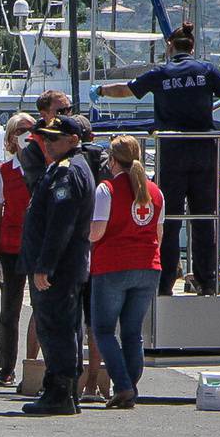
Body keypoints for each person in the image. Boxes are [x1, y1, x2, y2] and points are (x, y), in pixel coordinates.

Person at [95, 23, 220, 294]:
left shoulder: (160, 73)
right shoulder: (206, 71)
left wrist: (102, 90)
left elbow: (127, 90)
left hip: (171, 152)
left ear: (169, 46)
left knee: (169, 220)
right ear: (192, 47)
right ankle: (207, 281)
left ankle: (164, 284)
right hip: (205, 152)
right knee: (205, 219)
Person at [19, 114, 97, 416]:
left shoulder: (68, 171)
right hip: (65, 266)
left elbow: (60, 224)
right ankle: (62, 389)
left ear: (73, 140)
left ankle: (60, 391)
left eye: (53, 139)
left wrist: (45, 265)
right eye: (46, 139)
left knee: (56, 328)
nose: (47, 144)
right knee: (63, 327)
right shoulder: (66, 167)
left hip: (59, 268)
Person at [89, 135, 165, 409]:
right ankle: (131, 385)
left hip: (112, 265)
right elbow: (159, 233)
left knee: (104, 330)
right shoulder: (155, 191)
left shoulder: (106, 189)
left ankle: (121, 385)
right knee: (133, 332)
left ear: (112, 160)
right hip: (148, 266)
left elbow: (96, 233)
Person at [0, 113, 38, 387]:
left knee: (41, 308)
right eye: (20, 130)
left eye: (30, 129)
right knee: (9, 311)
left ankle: (36, 364)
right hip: (10, 249)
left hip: (38, 248)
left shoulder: (44, 168)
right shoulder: (5, 173)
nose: (26, 134)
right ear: (10, 138)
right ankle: (6, 367)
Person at [17, 90, 72, 190]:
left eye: (69, 109)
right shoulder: (32, 148)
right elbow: (38, 187)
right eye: (61, 112)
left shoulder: (77, 133)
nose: (67, 115)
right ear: (44, 114)